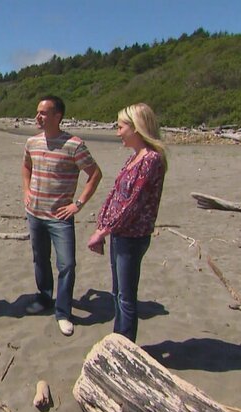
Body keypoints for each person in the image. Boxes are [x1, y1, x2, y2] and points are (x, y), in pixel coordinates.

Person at [87, 103, 168, 342]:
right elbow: (115, 194)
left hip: (132, 237)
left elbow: (132, 204)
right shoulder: (135, 158)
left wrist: (103, 232)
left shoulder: (151, 160)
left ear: (137, 128)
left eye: (121, 127)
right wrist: (102, 225)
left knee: (126, 296)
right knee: (117, 293)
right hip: (120, 234)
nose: (117, 132)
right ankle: (119, 340)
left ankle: (125, 344)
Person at [23, 95, 102, 336]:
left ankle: (63, 312)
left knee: (67, 264)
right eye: (37, 112)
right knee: (40, 259)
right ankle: (44, 298)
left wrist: (77, 204)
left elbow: (95, 174)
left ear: (58, 116)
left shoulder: (74, 145)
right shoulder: (32, 142)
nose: (38, 117)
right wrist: (26, 190)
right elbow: (27, 165)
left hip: (60, 217)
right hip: (34, 213)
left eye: (44, 113)